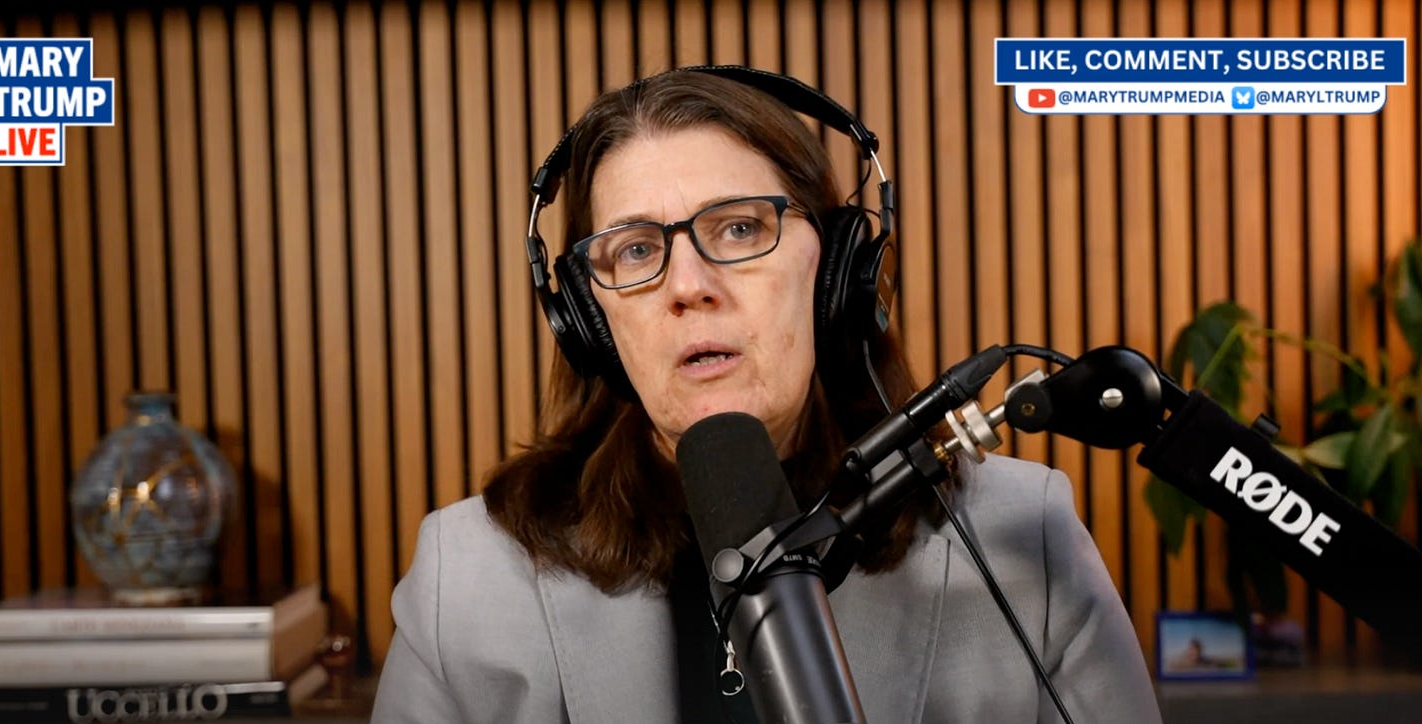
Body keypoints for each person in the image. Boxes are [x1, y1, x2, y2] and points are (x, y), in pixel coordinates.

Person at [370, 67, 1163, 723]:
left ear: (839, 272)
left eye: (740, 229)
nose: (688, 285)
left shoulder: (1025, 538)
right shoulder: (467, 577)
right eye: (636, 250)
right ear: (588, 318)